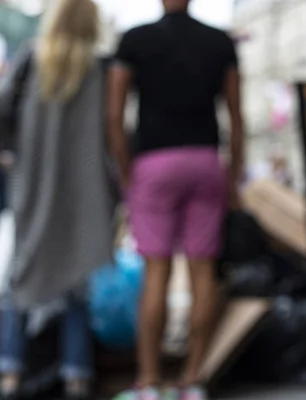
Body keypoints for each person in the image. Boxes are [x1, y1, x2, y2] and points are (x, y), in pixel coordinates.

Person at [107, 0, 244, 399]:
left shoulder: (134, 40)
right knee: (203, 272)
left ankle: (149, 382)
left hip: (153, 163)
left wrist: (126, 170)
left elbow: (114, 116)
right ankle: (193, 380)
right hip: (205, 162)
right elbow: (235, 115)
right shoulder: (220, 41)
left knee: (156, 273)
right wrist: (232, 174)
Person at [0, 0, 116, 399]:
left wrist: (11, 153)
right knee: (75, 283)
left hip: (34, 187)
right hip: (84, 194)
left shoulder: (34, 58)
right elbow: (115, 131)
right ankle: (77, 376)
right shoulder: (100, 66)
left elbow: (3, 113)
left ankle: (10, 374)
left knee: (23, 275)